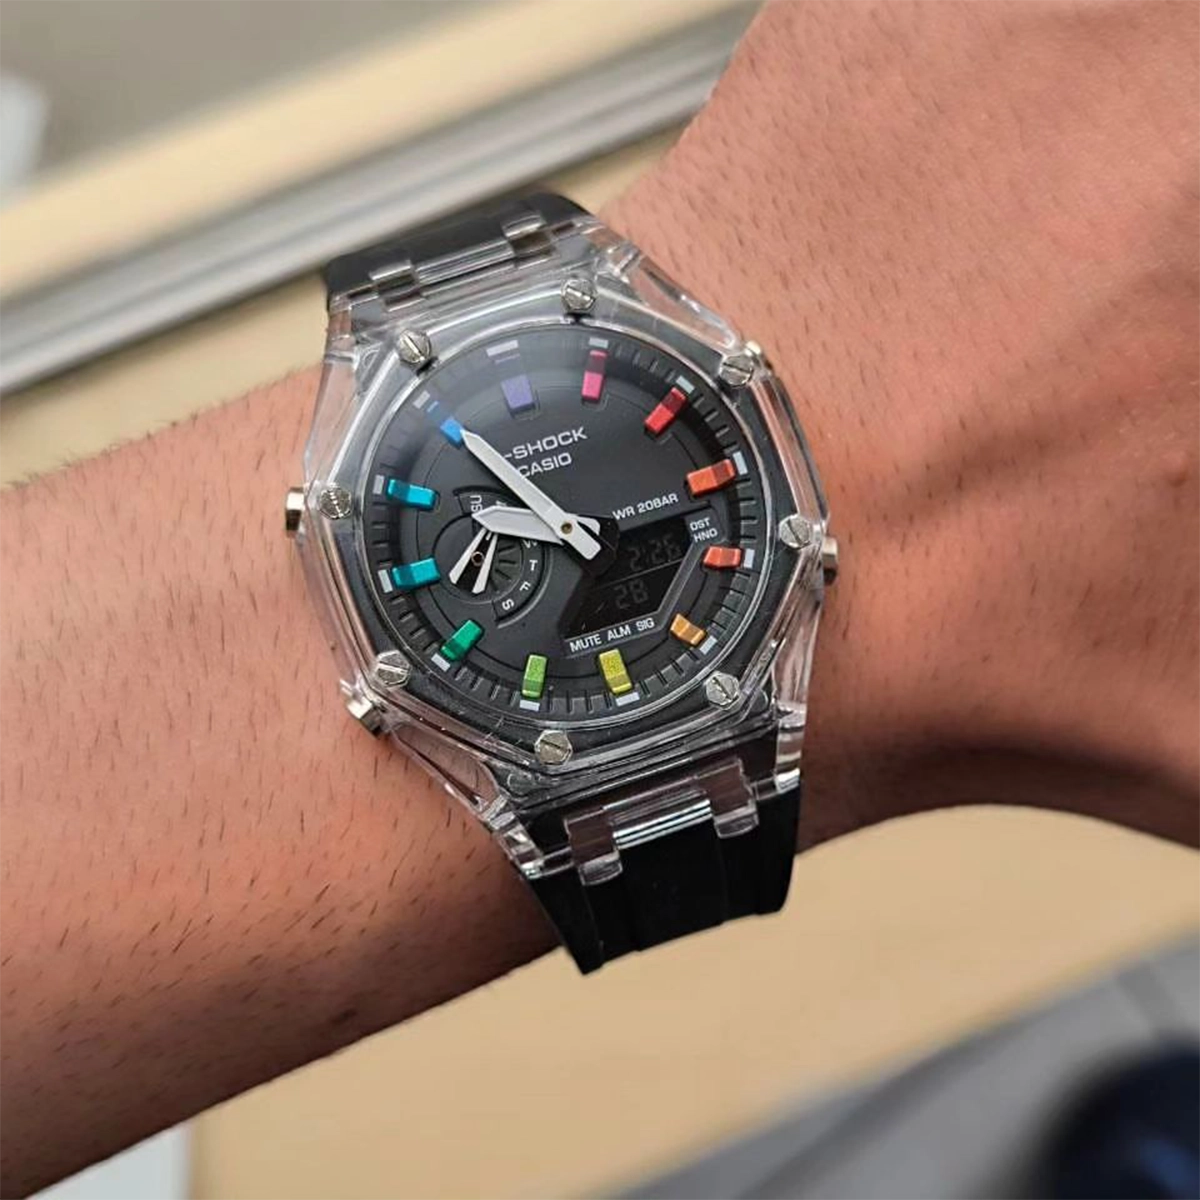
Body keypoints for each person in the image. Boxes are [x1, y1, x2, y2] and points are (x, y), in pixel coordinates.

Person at [3, 0, 1199, 1193]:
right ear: (321, 519)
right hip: (543, 709)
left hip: (679, 657)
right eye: (543, 528)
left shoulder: (699, 430)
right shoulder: (384, 546)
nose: (573, 536)